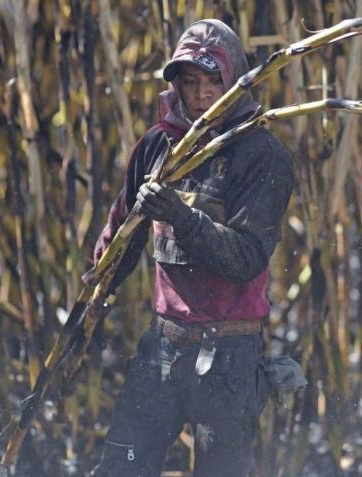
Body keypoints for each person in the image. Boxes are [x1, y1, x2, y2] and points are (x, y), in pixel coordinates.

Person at [90, 19, 294, 477]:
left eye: (213, 81)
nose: (202, 94)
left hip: (227, 359)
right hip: (161, 350)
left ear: (235, 80)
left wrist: (182, 218)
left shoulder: (262, 155)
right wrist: (94, 298)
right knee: (121, 466)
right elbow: (123, 228)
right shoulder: (158, 145)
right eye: (190, 81)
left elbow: (244, 259)